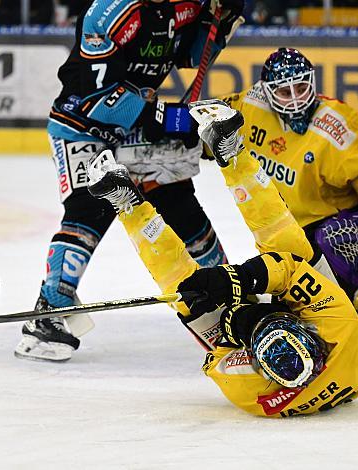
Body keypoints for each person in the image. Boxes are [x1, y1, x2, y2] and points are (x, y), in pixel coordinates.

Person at [86, 99, 358, 417]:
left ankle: (129, 206)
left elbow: (216, 357)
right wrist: (237, 280)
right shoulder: (340, 330)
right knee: (290, 247)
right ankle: (233, 152)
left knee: (185, 293)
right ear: (310, 336)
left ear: (259, 367)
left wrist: (236, 322)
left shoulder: (248, 387)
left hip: (248, 338)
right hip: (319, 326)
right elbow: (288, 270)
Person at [15, 0, 244, 362]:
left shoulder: (185, 5)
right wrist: (176, 121)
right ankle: (49, 311)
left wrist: (221, 21)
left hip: (136, 124)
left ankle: (229, 293)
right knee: (90, 208)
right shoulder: (109, 12)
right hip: (83, 122)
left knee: (180, 206)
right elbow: (99, 97)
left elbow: (189, 54)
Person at [220, 47, 358, 301]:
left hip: (333, 231)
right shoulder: (252, 108)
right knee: (285, 288)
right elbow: (209, 118)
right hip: (289, 234)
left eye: (301, 88)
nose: (296, 99)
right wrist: (168, 121)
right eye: (285, 92)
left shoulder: (332, 125)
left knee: (329, 248)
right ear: (267, 92)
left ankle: (340, 298)